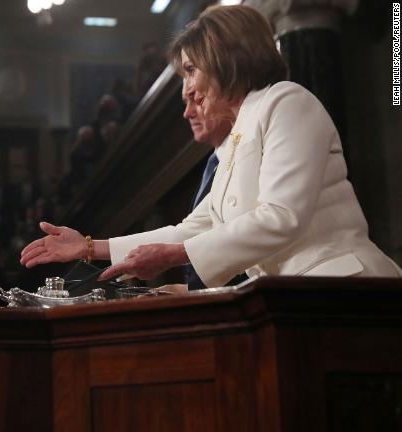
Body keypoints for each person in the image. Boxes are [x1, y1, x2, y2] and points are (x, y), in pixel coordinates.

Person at [20, 5, 401, 287]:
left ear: (225, 60)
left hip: (347, 288)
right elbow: (194, 229)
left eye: (190, 70)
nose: (186, 89)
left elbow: (282, 215)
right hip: (297, 299)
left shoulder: (286, 101)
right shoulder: (233, 144)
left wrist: (176, 256)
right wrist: (88, 247)